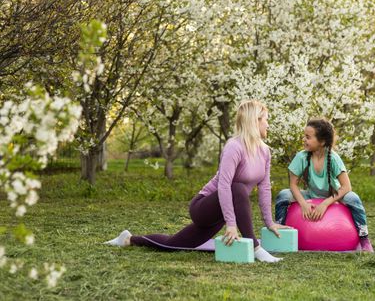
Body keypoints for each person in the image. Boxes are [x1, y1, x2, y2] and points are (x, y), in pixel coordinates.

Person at [105, 100, 290, 262]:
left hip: (222, 212)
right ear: (254, 121)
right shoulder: (234, 147)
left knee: (174, 244)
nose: (268, 124)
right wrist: (231, 224)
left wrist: (269, 222)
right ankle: (256, 249)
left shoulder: (265, 151)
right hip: (203, 207)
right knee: (238, 187)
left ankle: (129, 239)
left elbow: (265, 187)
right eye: (266, 119)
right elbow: (225, 185)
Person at [274, 118, 374, 252]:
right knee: (283, 195)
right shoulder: (301, 157)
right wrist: (303, 204)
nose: (304, 140)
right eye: (304, 136)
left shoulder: (333, 158)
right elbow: (293, 185)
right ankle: (280, 232)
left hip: (333, 194)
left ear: (321, 141)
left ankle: (364, 238)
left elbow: (346, 187)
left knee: (353, 198)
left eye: (308, 137)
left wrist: (325, 204)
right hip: (310, 194)